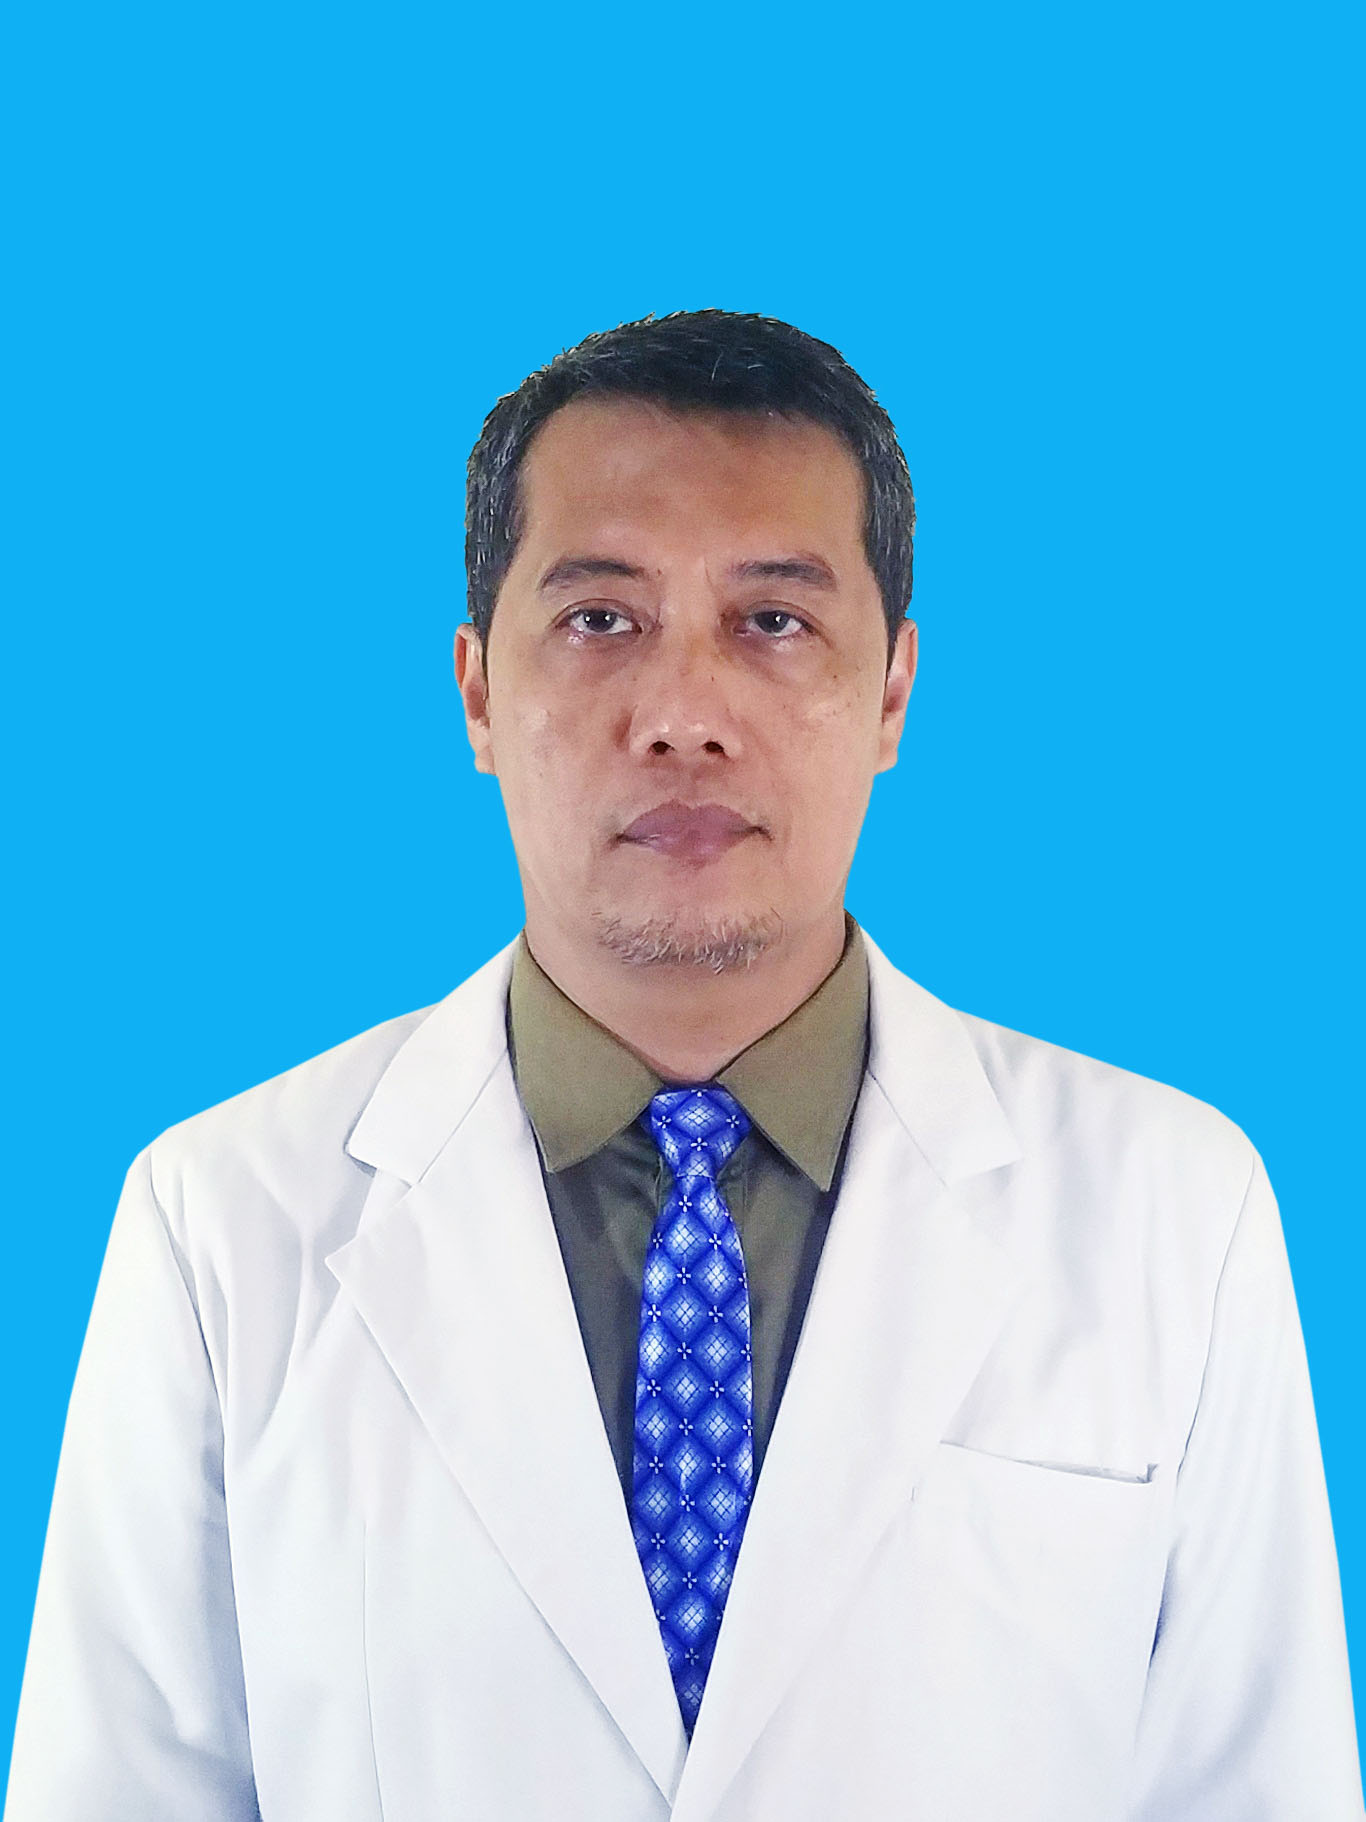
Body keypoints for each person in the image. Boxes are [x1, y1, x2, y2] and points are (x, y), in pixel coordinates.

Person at [4, 309, 1361, 1821]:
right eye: (602, 618)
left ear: (894, 689)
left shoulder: (1173, 1211)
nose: (684, 717)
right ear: (475, 690)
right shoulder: (222, 1220)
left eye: (773, 620)